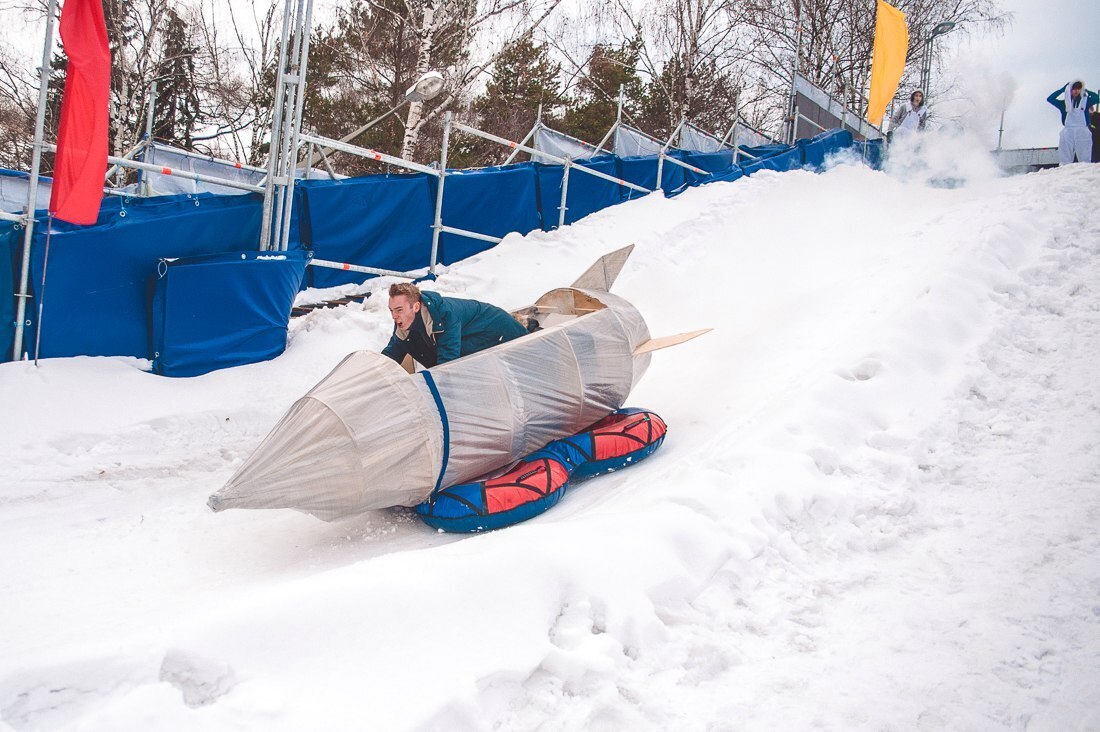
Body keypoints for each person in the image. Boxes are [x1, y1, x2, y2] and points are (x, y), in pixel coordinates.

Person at [382, 282, 527, 368]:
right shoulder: (404, 322)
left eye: (399, 310)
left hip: (496, 328)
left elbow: (448, 363)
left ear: (416, 307)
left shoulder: (444, 315)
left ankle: (529, 325)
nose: (394, 316)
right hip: (469, 337)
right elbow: (391, 354)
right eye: (391, 310)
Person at [1047, 80, 1098, 165]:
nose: (1076, 91)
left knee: (1085, 155)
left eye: (1078, 89)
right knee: (1065, 155)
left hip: (1082, 130)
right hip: (1068, 131)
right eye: (1074, 89)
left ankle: (1085, 170)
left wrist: (1086, 91)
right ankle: (1065, 170)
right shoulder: (1064, 104)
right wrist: (1061, 90)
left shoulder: (1086, 101)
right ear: (1069, 90)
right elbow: (1050, 99)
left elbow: (1097, 98)